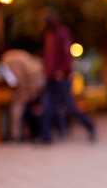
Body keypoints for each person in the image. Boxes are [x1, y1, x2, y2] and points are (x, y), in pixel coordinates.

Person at [40, 8, 96, 144]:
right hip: (50, 77)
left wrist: (62, 70)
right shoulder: (49, 35)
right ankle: (46, 137)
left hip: (61, 78)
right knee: (46, 105)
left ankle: (90, 126)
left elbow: (67, 55)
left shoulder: (62, 33)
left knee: (70, 106)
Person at [0, 49, 45, 141]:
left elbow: (18, 79)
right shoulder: (17, 55)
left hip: (33, 82)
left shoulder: (9, 59)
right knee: (31, 107)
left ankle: (16, 134)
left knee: (17, 107)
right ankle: (29, 133)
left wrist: (24, 91)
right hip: (38, 79)